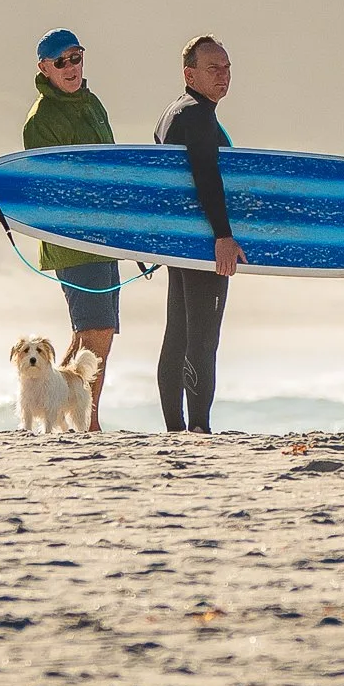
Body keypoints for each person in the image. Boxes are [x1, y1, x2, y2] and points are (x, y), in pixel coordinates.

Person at [22, 27, 119, 432]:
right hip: (74, 240)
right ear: (44, 67)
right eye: (60, 61)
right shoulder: (41, 118)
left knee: (98, 332)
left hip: (104, 237)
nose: (71, 67)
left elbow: (110, 166)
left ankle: (68, 414)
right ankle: (87, 421)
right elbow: (49, 185)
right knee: (94, 330)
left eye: (76, 57)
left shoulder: (92, 104)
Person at [153, 34, 247, 434]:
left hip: (181, 243)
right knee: (203, 337)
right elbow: (206, 177)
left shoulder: (172, 113)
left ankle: (176, 428)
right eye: (214, 68)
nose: (223, 75)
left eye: (227, 67)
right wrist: (223, 236)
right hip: (203, 242)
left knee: (178, 332)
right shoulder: (198, 116)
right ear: (189, 73)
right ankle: (199, 427)